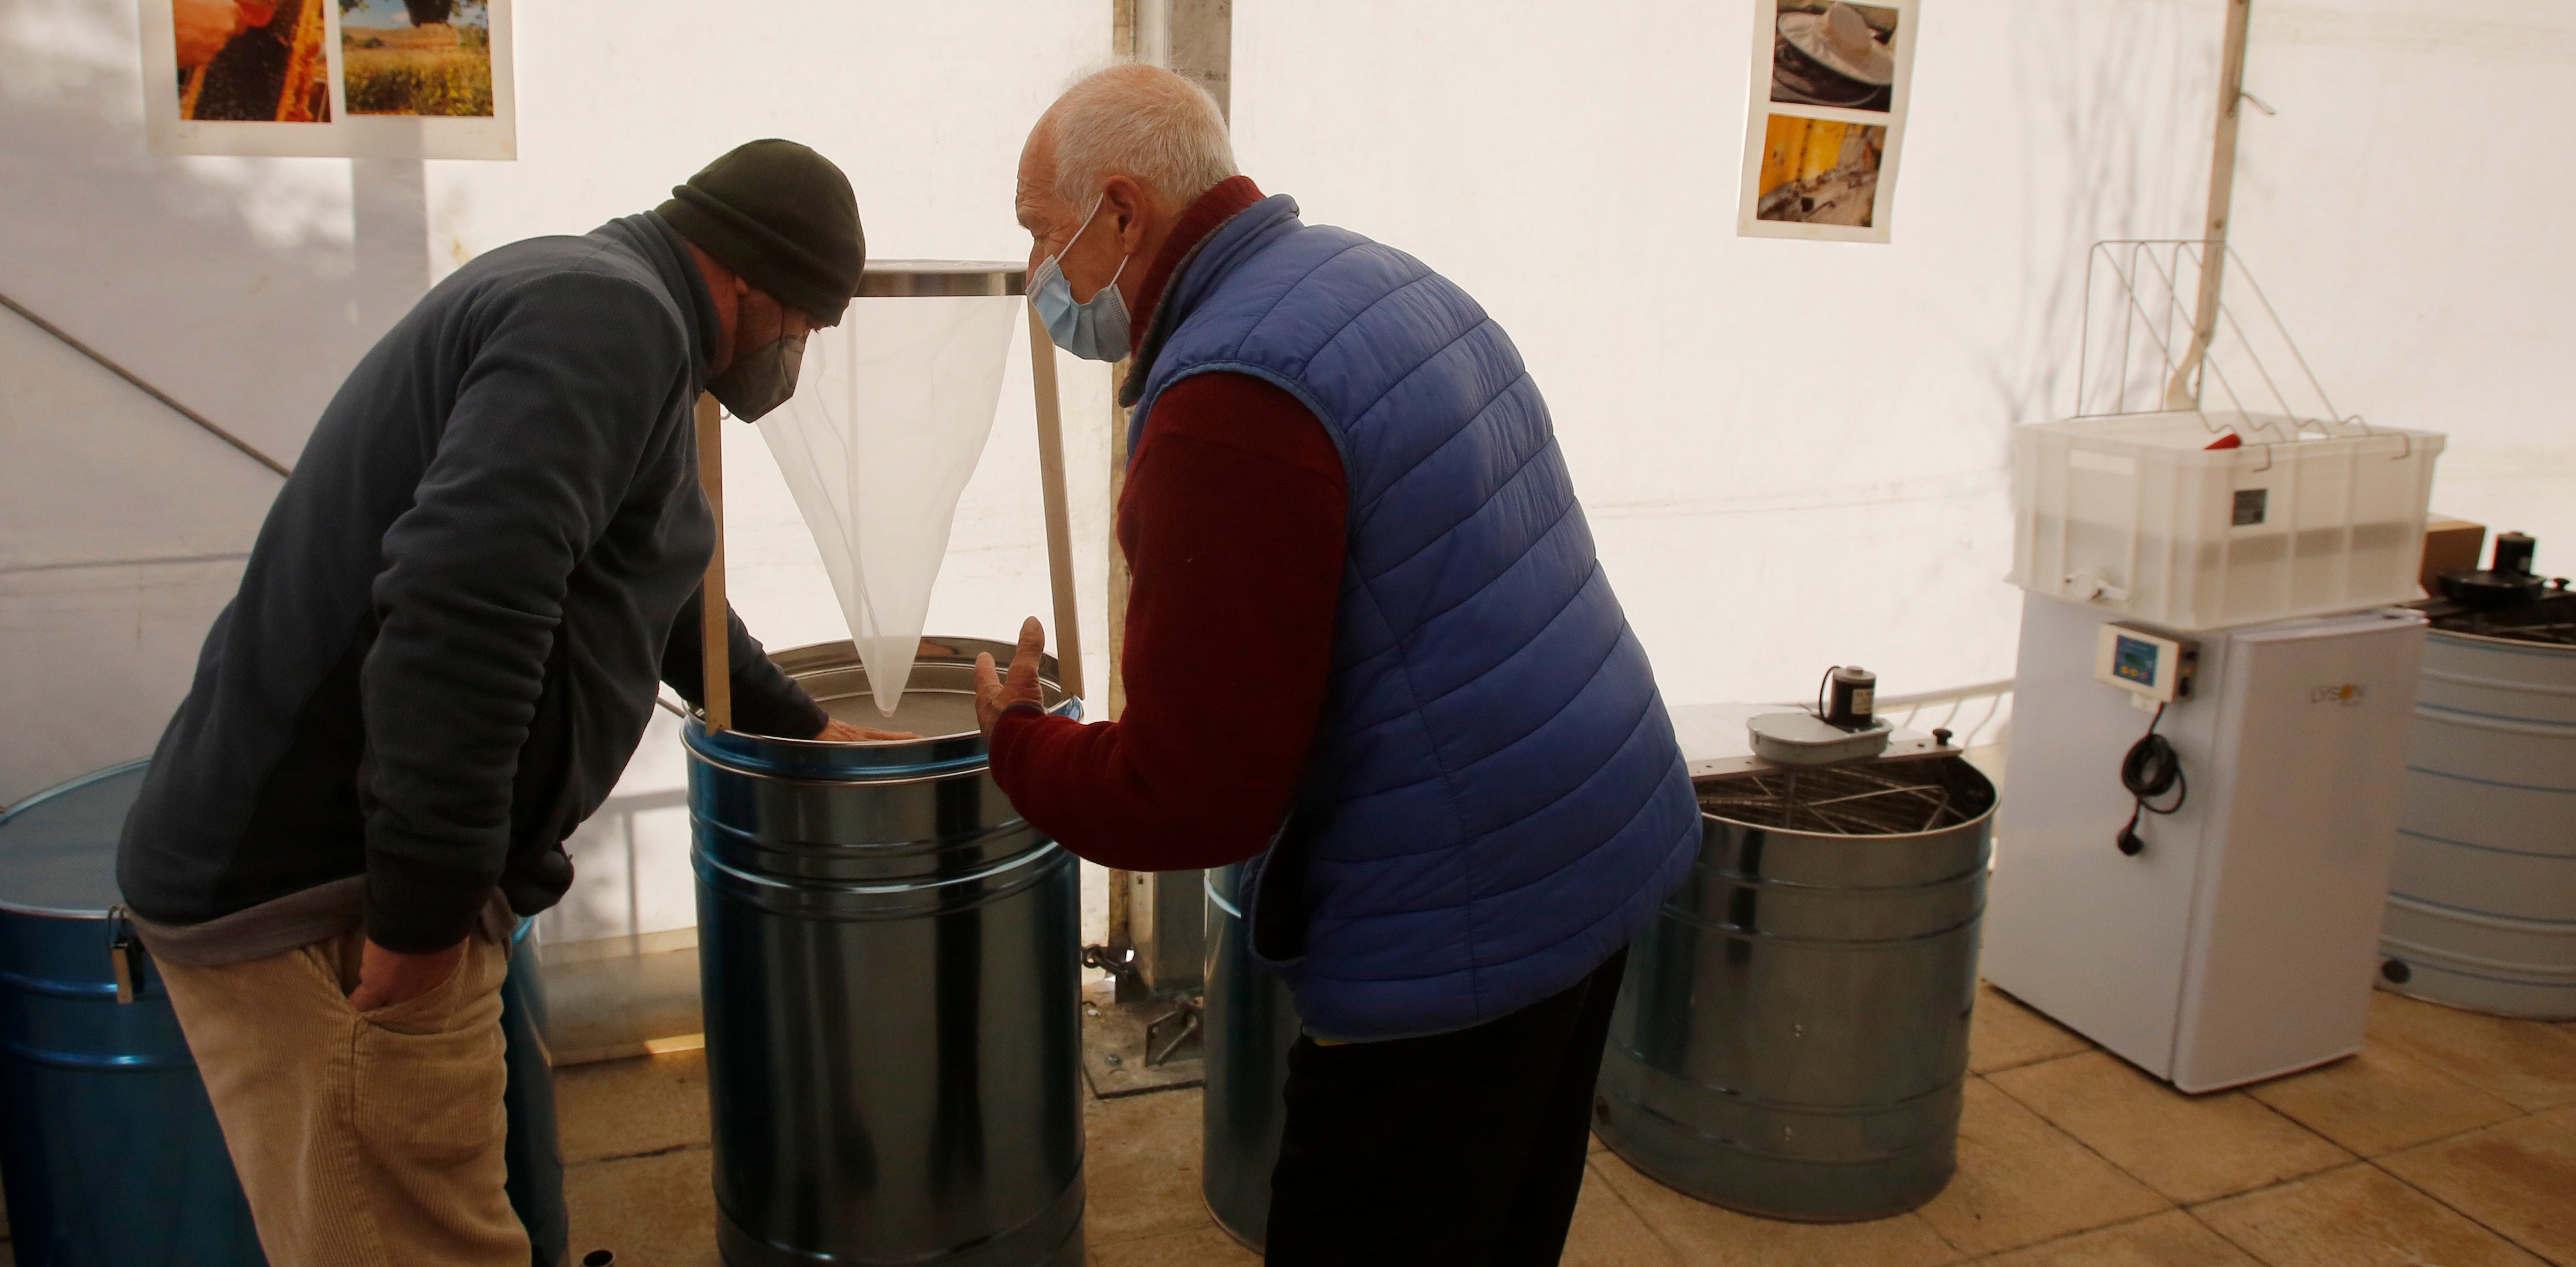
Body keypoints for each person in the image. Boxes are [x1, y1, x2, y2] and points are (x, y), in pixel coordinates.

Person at [117, 140, 902, 1267]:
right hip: (325, 905)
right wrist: (425, 912)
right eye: (808, 326)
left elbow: (652, 578)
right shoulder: (611, 323)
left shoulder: (603, 302)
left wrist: (802, 723)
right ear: (750, 278)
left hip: (336, 880)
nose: (799, 354)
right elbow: (463, 599)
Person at [973, 64, 1701, 1265]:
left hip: (1458, 917)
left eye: (1040, 234)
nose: (1037, 276)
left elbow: (1193, 793)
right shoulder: (1380, 279)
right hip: (1596, 836)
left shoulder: (1225, 402)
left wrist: (1021, 741)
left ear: (1122, 212)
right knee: (1504, 1218)